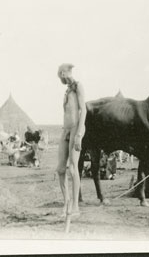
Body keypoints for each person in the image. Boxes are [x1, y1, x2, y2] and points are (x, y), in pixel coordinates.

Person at [57, 63, 86, 217]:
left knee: (73, 168)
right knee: (61, 169)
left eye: (60, 75)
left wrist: (79, 134)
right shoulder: (67, 90)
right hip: (65, 129)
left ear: (63, 73)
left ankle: (75, 206)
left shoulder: (78, 86)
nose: (60, 79)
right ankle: (66, 203)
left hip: (76, 129)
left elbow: (84, 110)